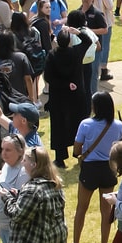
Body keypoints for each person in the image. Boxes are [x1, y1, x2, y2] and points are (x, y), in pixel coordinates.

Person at [72, 92, 122, 243]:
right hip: (109, 168)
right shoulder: (118, 125)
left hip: (90, 169)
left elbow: (76, 149)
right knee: (106, 211)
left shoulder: (85, 124)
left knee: (82, 208)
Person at [47, 11, 92, 164]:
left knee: (59, 124)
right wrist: (77, 31)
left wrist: (64, 84)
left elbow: (48, 77)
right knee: (77, 122)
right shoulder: (76, 53)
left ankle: (60, 157)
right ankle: (80, 151)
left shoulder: (52, 55)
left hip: (58, 95)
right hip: (75, 95)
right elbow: (87, 41)